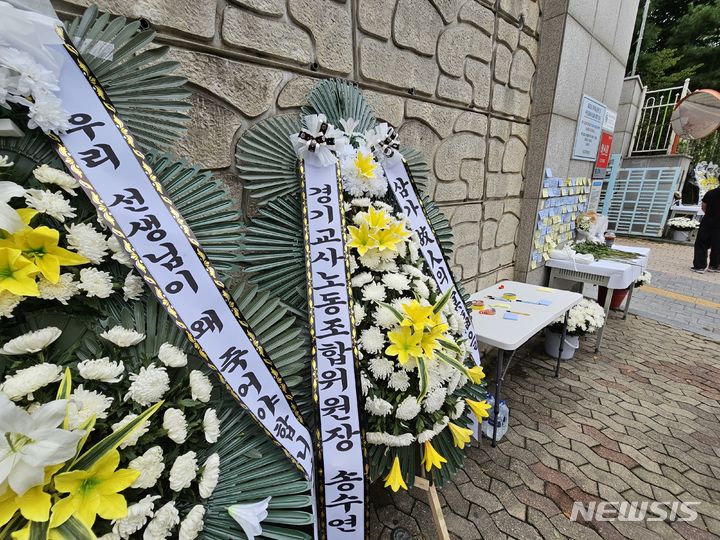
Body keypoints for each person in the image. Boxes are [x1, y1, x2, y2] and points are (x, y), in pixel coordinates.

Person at [693, 186, 720, 273]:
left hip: (708, 221)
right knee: (718, 244)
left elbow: (704, 206)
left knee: (702, 243)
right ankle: (714, 266)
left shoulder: (711, 192)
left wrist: (709, 214)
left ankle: (699, 266)